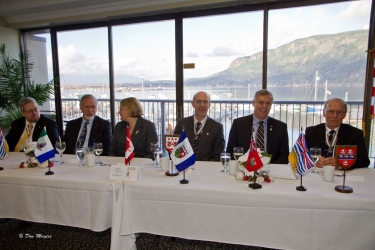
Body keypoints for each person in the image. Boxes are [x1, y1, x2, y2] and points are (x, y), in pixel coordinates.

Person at [226, 89, 289, 164]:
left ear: (271, 106)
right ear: (253, 103)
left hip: (271, 170)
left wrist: (267, 167)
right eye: (260, 102)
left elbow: (284, 156)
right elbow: (230, 151)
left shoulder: (280, 127)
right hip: (244, 169)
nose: (264, 106)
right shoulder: (238, 124)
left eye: (268, 103)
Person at [305, 98, 370, 169]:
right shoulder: (311, 132)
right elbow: (301, 156)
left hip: (343, 175)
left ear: (344, 114)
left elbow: (364, 161)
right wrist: (314, 162)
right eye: (331, 111)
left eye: (339, 112)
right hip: (317, 173)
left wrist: (340, 164)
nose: (334, 116)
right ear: (324, 113)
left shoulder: (355, 133)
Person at [173, 91, 225, 161]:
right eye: (198, 101)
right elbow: (175, 150)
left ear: (209, 105)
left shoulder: (217, 127)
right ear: (193, 104)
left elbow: (218, 156)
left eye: (205, 102)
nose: (202, 105)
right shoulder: (182, 123)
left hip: (207, 169)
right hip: (184, 168)